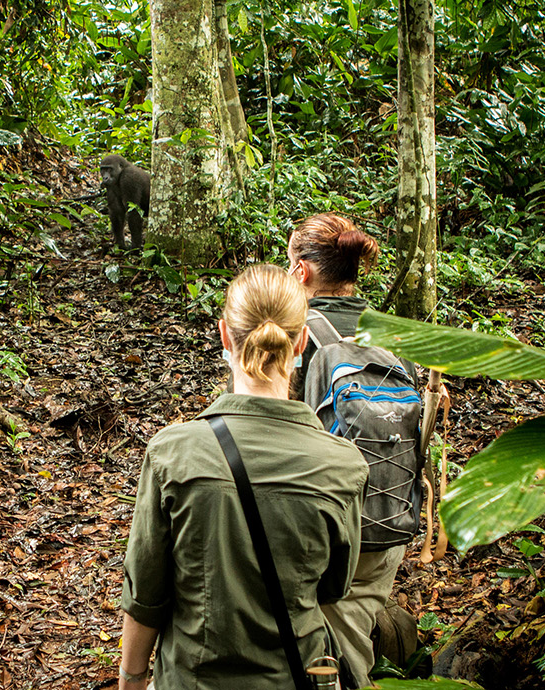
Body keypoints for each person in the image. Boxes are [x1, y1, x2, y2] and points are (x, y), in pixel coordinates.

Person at [118, 264, 367, 689]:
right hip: (297, 676)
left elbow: (146, 595)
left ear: (224, 336)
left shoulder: (172, 453)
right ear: (302, 342)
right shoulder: (343, 465)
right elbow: (333, 587)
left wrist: (132, 678)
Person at [287, 212, 431, 682]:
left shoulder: (293, 332)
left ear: (302, 271)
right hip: (389, 512)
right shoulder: (394, 334)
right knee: (352, 637)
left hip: (322, 529)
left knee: (320, 659)